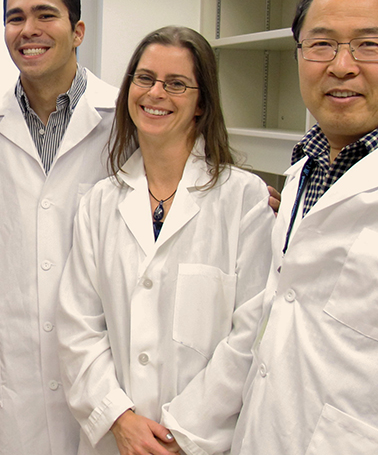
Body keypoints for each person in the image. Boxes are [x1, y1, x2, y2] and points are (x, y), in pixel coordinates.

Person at [163, 0, 378, 455]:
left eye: (369, 46)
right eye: (321, 45)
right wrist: (183, 432)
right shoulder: (304, 172)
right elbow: (276, 317)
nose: (341, 65)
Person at [56, 26, 275, 455]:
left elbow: (252, 335)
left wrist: (181, 431)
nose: (156, 93)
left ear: (201, 104)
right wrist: (119, 417)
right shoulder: (101, 202)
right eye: (145, 78)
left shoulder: (244, 199)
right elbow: (77, 326)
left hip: (201, 442)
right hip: (116, 439)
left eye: (176, 84)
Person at [0, 0, 120, 455]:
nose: (28, 29)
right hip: (10, 378)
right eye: (15, 17)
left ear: (77, 31)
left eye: (45, 15)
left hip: (105, 366)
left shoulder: (126, 122)